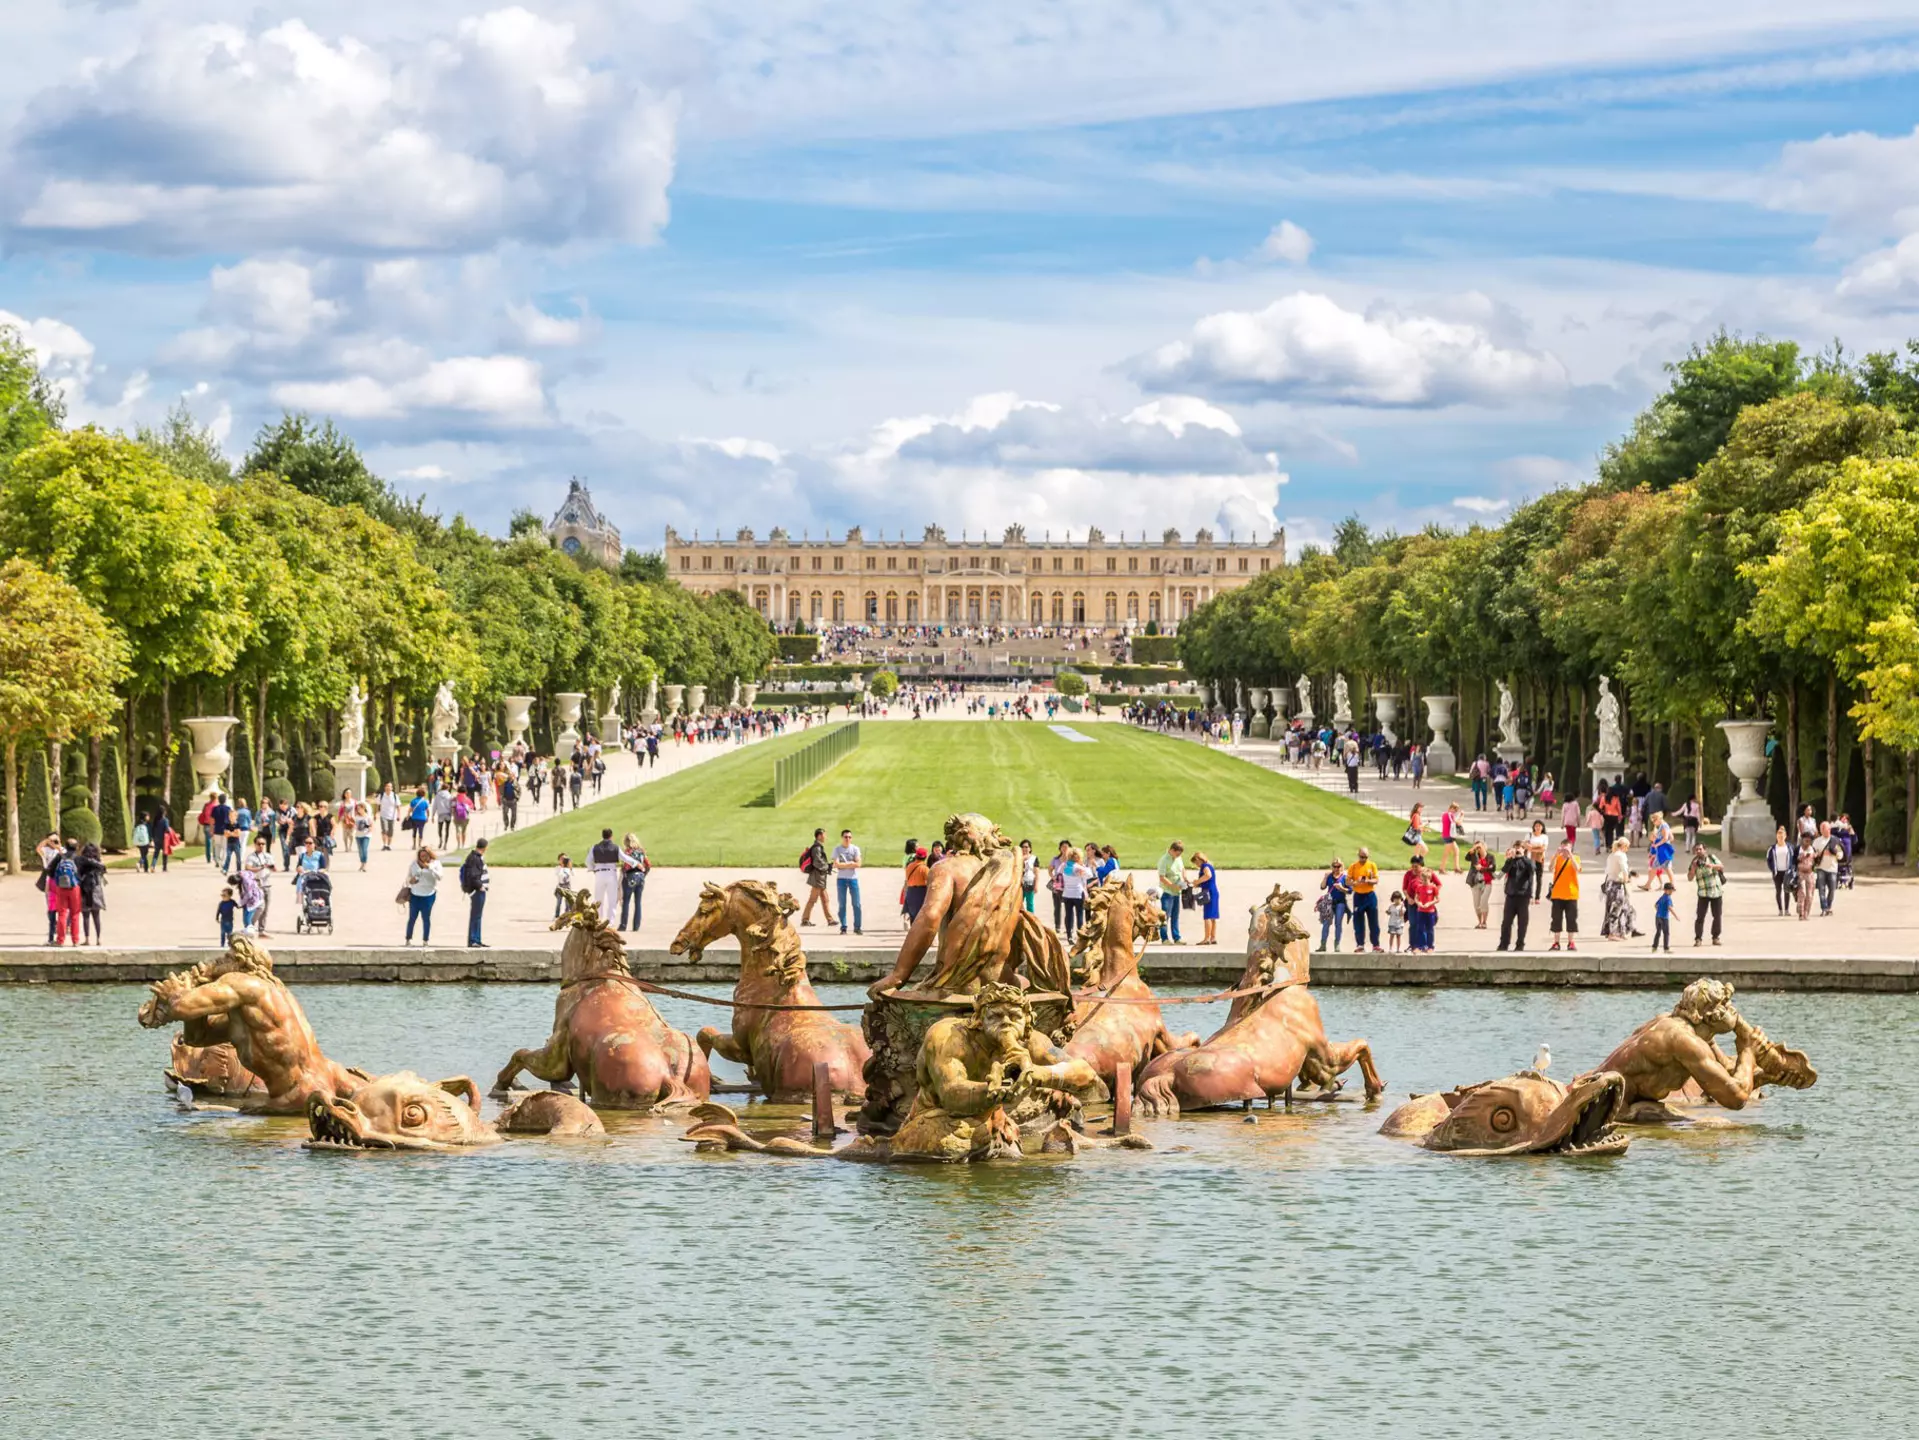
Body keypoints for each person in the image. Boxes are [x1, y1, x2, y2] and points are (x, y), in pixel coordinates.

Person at [1497, 840, 1534, 951]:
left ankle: (1520, 944)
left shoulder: (1527, 861)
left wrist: (1524, 856)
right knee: (1506, 922)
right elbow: (1503, 871)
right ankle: (1504, 944)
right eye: (1516, 847)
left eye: (1520, 847)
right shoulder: (1511, 861)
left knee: (1522, 923)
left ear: (1523, 849)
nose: (1517, 849)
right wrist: (1511, 858)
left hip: (1523, 895)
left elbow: (1532, 869)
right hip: (1511, 895)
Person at [1602, 838, 1640, 940]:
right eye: (1627, 847)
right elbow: (1624, 869)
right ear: (1624, 846)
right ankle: (1613, 933)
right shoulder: (1621, 855)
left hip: (1610, 884)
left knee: (1622, 908)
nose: (1627, 849)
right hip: (1617, 885)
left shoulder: (1612, 855)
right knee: (1617, 909)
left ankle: (1622, 931)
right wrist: (1627, 879)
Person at [1547, 837, 1580, 952]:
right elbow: (1550, 868)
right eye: (1563, 847)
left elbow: (1577, 869)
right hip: (1557, 894)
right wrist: (1556, 855)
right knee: (1556, 919)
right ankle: (1556, 942)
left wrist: (1570, 855)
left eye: (1567, 848)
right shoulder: (1557, 858)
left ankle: (1571, 942)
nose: (1565, 850)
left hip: (1571, 894)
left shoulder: (1575, 858)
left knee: (1571, 919)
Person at [1688, 844, 1725, 946]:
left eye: (1700, 849)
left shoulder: (1712, 858)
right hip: (1703, 893)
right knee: (1700, 917)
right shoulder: (1694, 862)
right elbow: (1690, 878)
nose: (1699, 851)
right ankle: (1698, 939)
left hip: (1716, 891)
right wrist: (1693, 869)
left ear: (1704, 850)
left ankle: (1715, 937)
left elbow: (1721, 866)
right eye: (1696, 850)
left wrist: (1712, 866)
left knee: (1717, 916)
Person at [1402, 857, 1441, 953]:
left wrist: (1431, 895)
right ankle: (1413, 945)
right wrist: (1409, 898)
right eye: (1413, 866)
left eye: (1416, 866)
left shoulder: (1427, 873)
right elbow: (1404, 889)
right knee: (1414, 924)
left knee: (1424, 925)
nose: (1414, 869)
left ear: (1421, 866)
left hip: (1425, 904)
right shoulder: (1408, 874)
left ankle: (1426, 945)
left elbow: (1438, 884)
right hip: (1412, 902)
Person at [405, 846, 441, 944]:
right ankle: (408, 939)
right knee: (412, 918)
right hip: (415, 895)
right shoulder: (414, 864)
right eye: (421, 856)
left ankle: (425, 940)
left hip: (428, 895)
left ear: (430, 855)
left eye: (425, 856)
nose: (423, 858)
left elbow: (440, 876)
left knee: (426, 918)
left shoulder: (435, 864)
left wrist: (429, 867)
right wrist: (410, 880)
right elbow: (408, 878)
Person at [1348, 846, 1381, 952]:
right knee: (1358, 922)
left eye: (1365, 857)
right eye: (1361, 857)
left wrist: (1367, 881)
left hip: (1370, 895)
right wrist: (1355, 883)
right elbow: (1347, 881)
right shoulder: (1353, 866)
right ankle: (1360, 944)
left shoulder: (1372, 865)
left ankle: (1375, 944)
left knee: (1374, 922)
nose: (1363, 859)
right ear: (1358, 855)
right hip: (1358, 896)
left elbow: (1376, 880)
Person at [460, 837, 490, 947]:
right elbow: (473, 875)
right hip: (477, 891)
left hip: (479, 891)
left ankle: (477, 939)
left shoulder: (475, 857)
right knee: (476, 916)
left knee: (478, 916)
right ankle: (473, 940)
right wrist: (480, 886)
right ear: (485, 847)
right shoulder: (475, 858)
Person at [1316, 859, 1351, 953]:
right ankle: (1323, 944)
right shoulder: (1329, 876)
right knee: (1326, 924)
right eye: (1334, 866)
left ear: (1341, 866)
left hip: (1340, 902)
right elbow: (1322, 887)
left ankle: (1337, 944)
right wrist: (1325, 877)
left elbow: (1350, 891)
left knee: (1338, 924)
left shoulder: (1345, 877)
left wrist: (1341, 888)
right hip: (1329, 903)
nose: (1336, 868)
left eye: (1338, 866)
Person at [832, 829, 864, 934]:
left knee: (857, 904)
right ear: (842, 838)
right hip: (841, 879)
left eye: (849, 837)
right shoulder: (837, 849)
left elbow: (858, 864)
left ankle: (857, 927)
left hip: (853, 879)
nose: (848, 839)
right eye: (846, 837)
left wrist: (845, 865)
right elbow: (836, 864)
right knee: (842, 904)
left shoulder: (855, 849)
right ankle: (844, 926)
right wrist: (850, 864)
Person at [1156, 841, 1188, 944]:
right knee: (1165, 916)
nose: (1178, 856)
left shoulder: (1178, 858)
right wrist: (1173, 886)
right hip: (1167, 892)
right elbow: (1162, 877)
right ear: (1172, 850)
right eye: (1177, 853)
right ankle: (1164, 938)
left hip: (1177, 892)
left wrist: (1185, 877)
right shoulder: (1164, 860)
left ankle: (1176, 937)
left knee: (1175, 915)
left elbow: (1182, 869)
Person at [799, 828, 831, 926]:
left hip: (820, 878)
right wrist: (827, 867)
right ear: (819, 836)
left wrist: (827, 866)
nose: (825, 837)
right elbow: (817, 863)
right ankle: (805, 920)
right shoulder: (817, 848)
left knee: (825, 899)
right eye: (824, 835)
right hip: (817, 878)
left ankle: (830, 920)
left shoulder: (818, 847)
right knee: (813, 899)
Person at [77, 842, 107, 945]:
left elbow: (78, 873)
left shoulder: (81, 861)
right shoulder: (98, 862)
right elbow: (103, 871)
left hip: (85, 889)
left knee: (85, 915)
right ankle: (99, 939)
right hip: (96, 889)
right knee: (96, 915)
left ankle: (87, 939)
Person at [589, 827, 622, 920]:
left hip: (599, 874)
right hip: (611, 874)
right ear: (611, 836)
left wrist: (593, 869)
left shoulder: (595, 847)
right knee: (612, 899)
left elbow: (588, 861)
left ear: (602, 836)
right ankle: (610, 922)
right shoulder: (616, 847)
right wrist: (636, 863)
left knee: (598, 899)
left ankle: (598, 919)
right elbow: (625, 858)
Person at [619, 832, 649, 932]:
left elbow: (627, 866)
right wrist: (644, 874)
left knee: (626, 901)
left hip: (630, 877)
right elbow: (648, 865)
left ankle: (623, 925)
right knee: (638, 902)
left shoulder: (628, 852)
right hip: (640, 877)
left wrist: (623, 871)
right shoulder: (641, 851)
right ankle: (636, 926)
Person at [1765, 826, 1795, 916]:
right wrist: (1773, 869)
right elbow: (1768, 860)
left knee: (1787, 891)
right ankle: (1780, 909)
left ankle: (1786, 909)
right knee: (1778, 891)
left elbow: (1793, 858)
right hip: (1777, 873)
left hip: (1787, 872)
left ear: (1785, 836)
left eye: (1782, 836)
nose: (1780, 838)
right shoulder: (1772, 848)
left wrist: (1791, 869)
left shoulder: (1789, 847)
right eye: (1779, 836)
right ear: (1776, 837)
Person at [1464, 841, 1494, 930]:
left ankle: (1484, 922)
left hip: (1486, 882)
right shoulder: (1474, 856)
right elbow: (1466, 857)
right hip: (1475, 882)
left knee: (1483, 902)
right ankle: (1479, 922)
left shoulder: (1490, 856)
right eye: (1477, 847)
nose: (1479, 848)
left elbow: (1493, 867)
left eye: (1480, 846)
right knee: (1477, 905)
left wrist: (1482, 868)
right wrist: (1474, 848)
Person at [1059, 848, 1088, 940]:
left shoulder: (1064, 865)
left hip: (1067, 893)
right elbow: (1090, 874)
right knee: (1079, 914)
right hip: (1077, 893)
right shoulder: (1078, 867)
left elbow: (1058, 873)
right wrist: (1083, 866)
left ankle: (1069, 935)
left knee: (1068, 914)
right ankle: (1080, 934)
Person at [1813, 821, 1841, 916]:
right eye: (1823, 829)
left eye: (1827, 829)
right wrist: (1817, 855)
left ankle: (1829, 906)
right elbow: (1813, 854)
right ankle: (1824, 908)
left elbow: (1841, 854)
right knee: (1821, 889)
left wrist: (1836, 854)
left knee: (1832, 889)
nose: (1826, 831)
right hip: (1821, 868)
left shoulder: (1835, 840)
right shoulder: (1817, 842)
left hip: (1833, 868)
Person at [1193, 850, 1221, 944]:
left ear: (1198, 860)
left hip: (1208, 893)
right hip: (1213, 892)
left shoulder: (1204, 866)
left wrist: (1197, 881)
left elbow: (1208, 875)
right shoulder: (1210, 865)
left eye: (1196, 862)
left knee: (1207, 916)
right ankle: (1213, 937)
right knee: (1213, 916)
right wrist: (1198, 884)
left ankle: (1207, 938)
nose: (1196, 865)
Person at [1048, 839, 1072, 931]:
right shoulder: (1056, 859)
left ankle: (1068, 927)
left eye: (1066, 847)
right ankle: (1057, 926)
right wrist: (1052, 876)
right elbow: (1050, 869)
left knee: (1068, 907)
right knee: (1057, 906)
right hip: (1057, 883)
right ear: (1060, 848)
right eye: (1063, 847)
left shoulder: (1072, 860)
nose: (1065, 848)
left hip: (1068, 884)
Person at [904, 847, 931, 924]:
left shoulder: (909, 866)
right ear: (925, 857)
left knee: (912, 915)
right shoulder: (924, 869)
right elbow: (929, 881)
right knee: (920, 915)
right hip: (921, 892)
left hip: (910, 891)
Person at [1794, 834, 1816, 921]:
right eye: (1806, 841)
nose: (1808, 843)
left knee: (1809, 895)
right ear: (1802, 840)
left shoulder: (1812, 849)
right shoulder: (1797, 849)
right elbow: (1793, 861)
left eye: (1809, 841)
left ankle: (1806, 913)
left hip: (1810, 874)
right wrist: (1799, 858)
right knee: (1802, 893)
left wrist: (1817, 857)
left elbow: (1817, 861)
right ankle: (1801, 913)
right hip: (1800, 873)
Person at [1652, 883, 1676, 952]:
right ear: (1666, 890)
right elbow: (1669, 907)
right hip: (1664, 918)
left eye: (1672, 890)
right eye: (1670, 890)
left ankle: (1654, 947)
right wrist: (1676, 916)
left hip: (1657, 917)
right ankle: (1666, 948)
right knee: (1666, 933)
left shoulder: (1662, 897)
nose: (1672, 892)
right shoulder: (1668, 898)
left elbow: (1655, 905)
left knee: (1658, 932)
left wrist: (1659, 911)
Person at [351, 798, 373, 870]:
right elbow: (355, 825)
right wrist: (354, 826)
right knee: (360, 850)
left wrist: (370, 829)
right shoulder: (356, 817)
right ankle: (361, 863)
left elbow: (371, 825)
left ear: (364, 808)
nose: (358, 810)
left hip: (366, 835)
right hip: (358, 835)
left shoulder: (368, 816)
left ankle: (365, 864)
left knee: (364, 849)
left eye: (360, 808)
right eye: (357, 809)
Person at [1018, 838, 1037, 913]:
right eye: (1023, 847)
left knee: (1030, 903)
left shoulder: (1034, 858)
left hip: (1029, 882)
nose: (1024, 848)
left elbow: (1037, 873)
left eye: (1026, 847)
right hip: (1019, 884)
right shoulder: (1017, 858)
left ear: (1030, 848)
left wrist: (1036, 885)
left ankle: (1031, 920)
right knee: (1018, 903)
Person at [378, 783, 399, 849]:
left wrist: (399, 815)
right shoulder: (381, 795)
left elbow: (398, 806)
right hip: (383, 815)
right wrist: (376, 814)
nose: (388, 788)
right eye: (387, 786)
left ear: (392, 788)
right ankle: (385, 845)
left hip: (392, 816)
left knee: (391, 831)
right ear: (385, 787)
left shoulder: (395, 796)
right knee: (384, 830)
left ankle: (389, 845)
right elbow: (378, 805)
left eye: (389, 786)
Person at [553, 853, 575, 917]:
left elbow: (573, 874)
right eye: (562, 859)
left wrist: (570, 867)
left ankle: (566, 915)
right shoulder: (557, 868)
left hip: (567, 887)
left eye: (565, 859)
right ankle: (557, 915)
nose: (563, 860)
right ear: (559, 860)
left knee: (568, 903)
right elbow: (559, 874)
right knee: (558, 902)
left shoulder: (569, 868)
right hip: (560, 887)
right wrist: (562, 867)